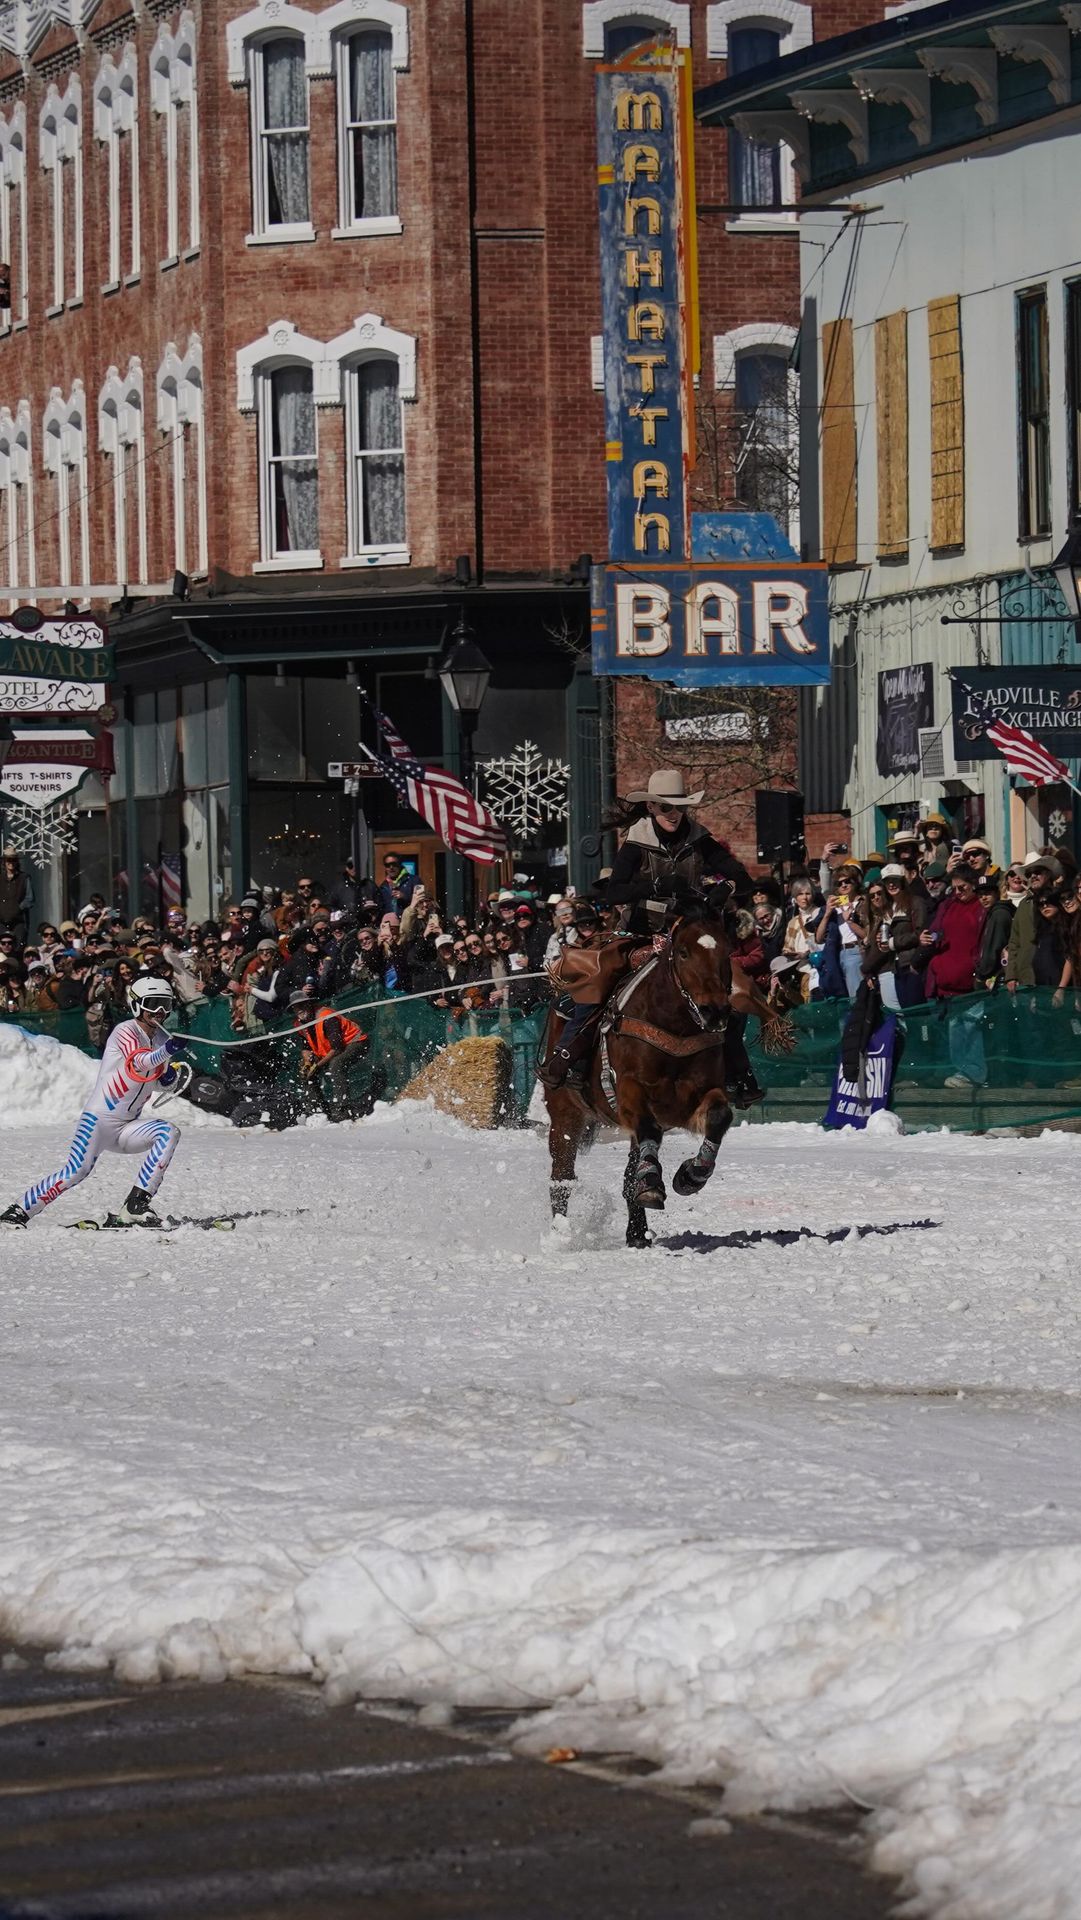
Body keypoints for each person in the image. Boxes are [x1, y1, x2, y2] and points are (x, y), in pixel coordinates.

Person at [1, 976, 188, 1229]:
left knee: (168, 1133)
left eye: (165, 1004)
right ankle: (17, 1212)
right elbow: (137, 1063)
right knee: (76, 1171)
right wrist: (167, 1052)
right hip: (98, 1121)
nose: (160, 1012)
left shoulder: (159, 1042)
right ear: (137, 1005)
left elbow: (155, 1082)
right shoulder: (126, 1031)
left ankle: (136, 1206)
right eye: (153, 1003)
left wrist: (169, 1077)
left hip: (127, 1126)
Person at [289, 987, 369, 1121]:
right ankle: (318, 1110)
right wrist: (308, 1061)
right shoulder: (298, 1024)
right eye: (296, 1007)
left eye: (302, 1005)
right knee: (304, 1069)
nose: (300, 1009)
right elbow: (305, 1047)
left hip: (356, 1042)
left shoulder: (326, 1015)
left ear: (309, 1004)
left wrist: (318, 1066)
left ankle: (343, 1111)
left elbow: (337, 1048)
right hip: (327, 1051)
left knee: (336, 1065)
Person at [0, 850, 33, 950]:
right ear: (4, 862)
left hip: (19, 921)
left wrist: (18, 908)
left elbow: (30, 898)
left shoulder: (24, 878)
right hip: (0, 921)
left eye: (14, 860)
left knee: (18, 947)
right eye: (8, 860)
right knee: (2, 948)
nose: (11, 863)